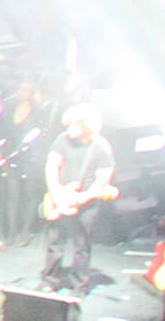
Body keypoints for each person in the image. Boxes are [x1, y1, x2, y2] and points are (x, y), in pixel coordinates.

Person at [39, 108, 119, 292]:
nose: (69, 129)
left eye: (75, 124)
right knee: (54, 242)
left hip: (86, 202)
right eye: (69, 124)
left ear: (86, 126)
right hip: (60, 197)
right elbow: (51, 167)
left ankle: (79, 285)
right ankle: (49, 280)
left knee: (82, 244)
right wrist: (57, 194)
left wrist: (80, 199)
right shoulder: (62, 140)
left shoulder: (101, 147)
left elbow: (102, 182)